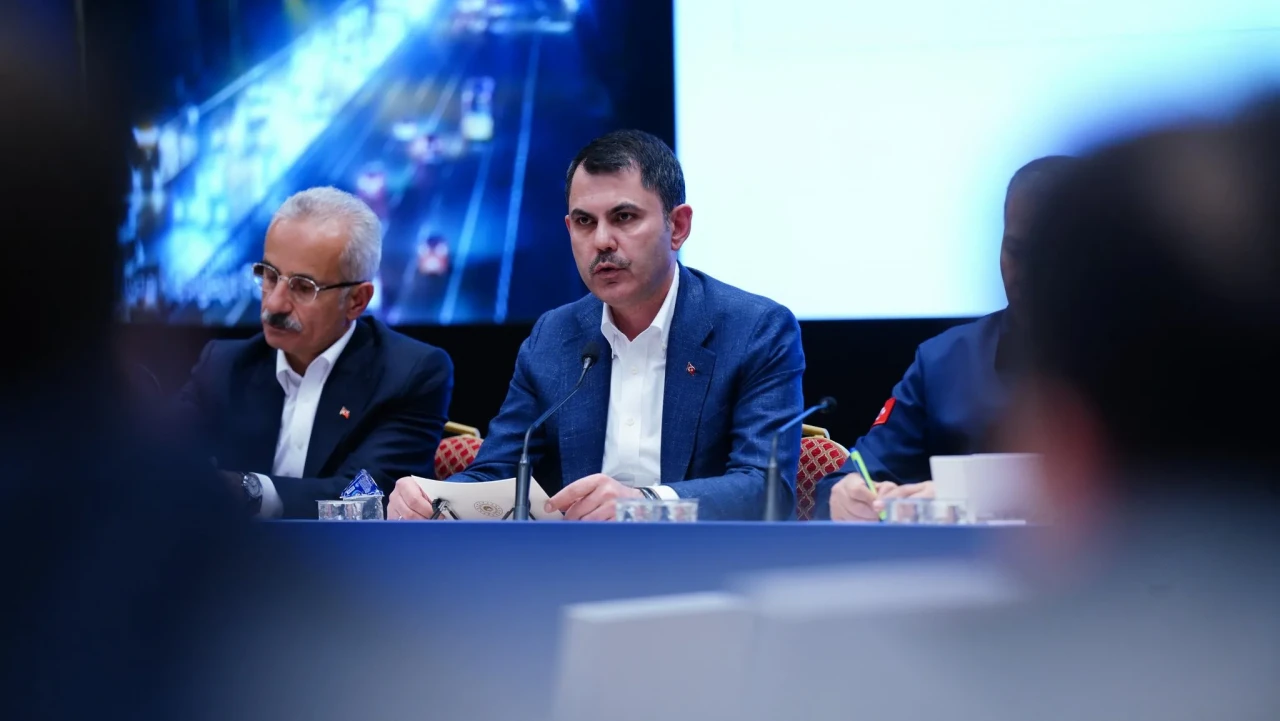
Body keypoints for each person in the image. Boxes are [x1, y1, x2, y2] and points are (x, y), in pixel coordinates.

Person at [386, 129, 806, 521]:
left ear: (677, 227)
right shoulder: (553, 336)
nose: (602, 241)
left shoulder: (755, 329)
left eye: (624, 217)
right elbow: (498, 473)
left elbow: (766, 489)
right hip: (571, 565)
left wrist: (643, 506)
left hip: (704, 564)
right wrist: (432, 498)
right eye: (585, 222)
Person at [815, 156, 1074, 521]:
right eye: (1016, 251)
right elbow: (857, 475)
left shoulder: (1149, 356)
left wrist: (966, 497)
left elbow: (1143, 490)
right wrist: (847, 493)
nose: (1028, 274)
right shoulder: (944, 361)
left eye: (1048, 255)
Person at [177, 187, 454, 519]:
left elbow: (364, 500)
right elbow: (162, 460)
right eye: (269, 276)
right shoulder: (224, 365)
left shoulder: (409, 374)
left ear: (357, 301)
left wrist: (249, 490)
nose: (274, 304)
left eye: (302, 287)